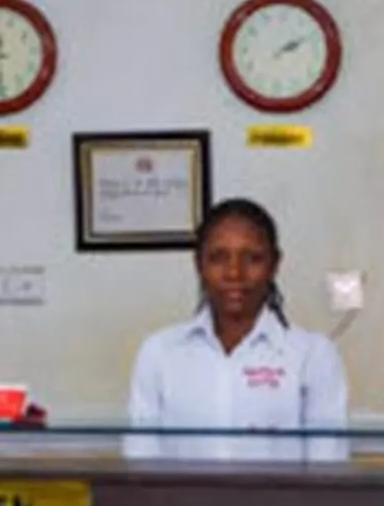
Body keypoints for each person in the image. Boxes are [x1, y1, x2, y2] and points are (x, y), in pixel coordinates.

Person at [125, 198, 348, 464]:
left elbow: (327, 471)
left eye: (252, 258)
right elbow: (141, 466)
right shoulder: (160, 352)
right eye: (219, 258)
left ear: (274, 264)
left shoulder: (313, 355)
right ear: (199, 264)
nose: (234, 273)